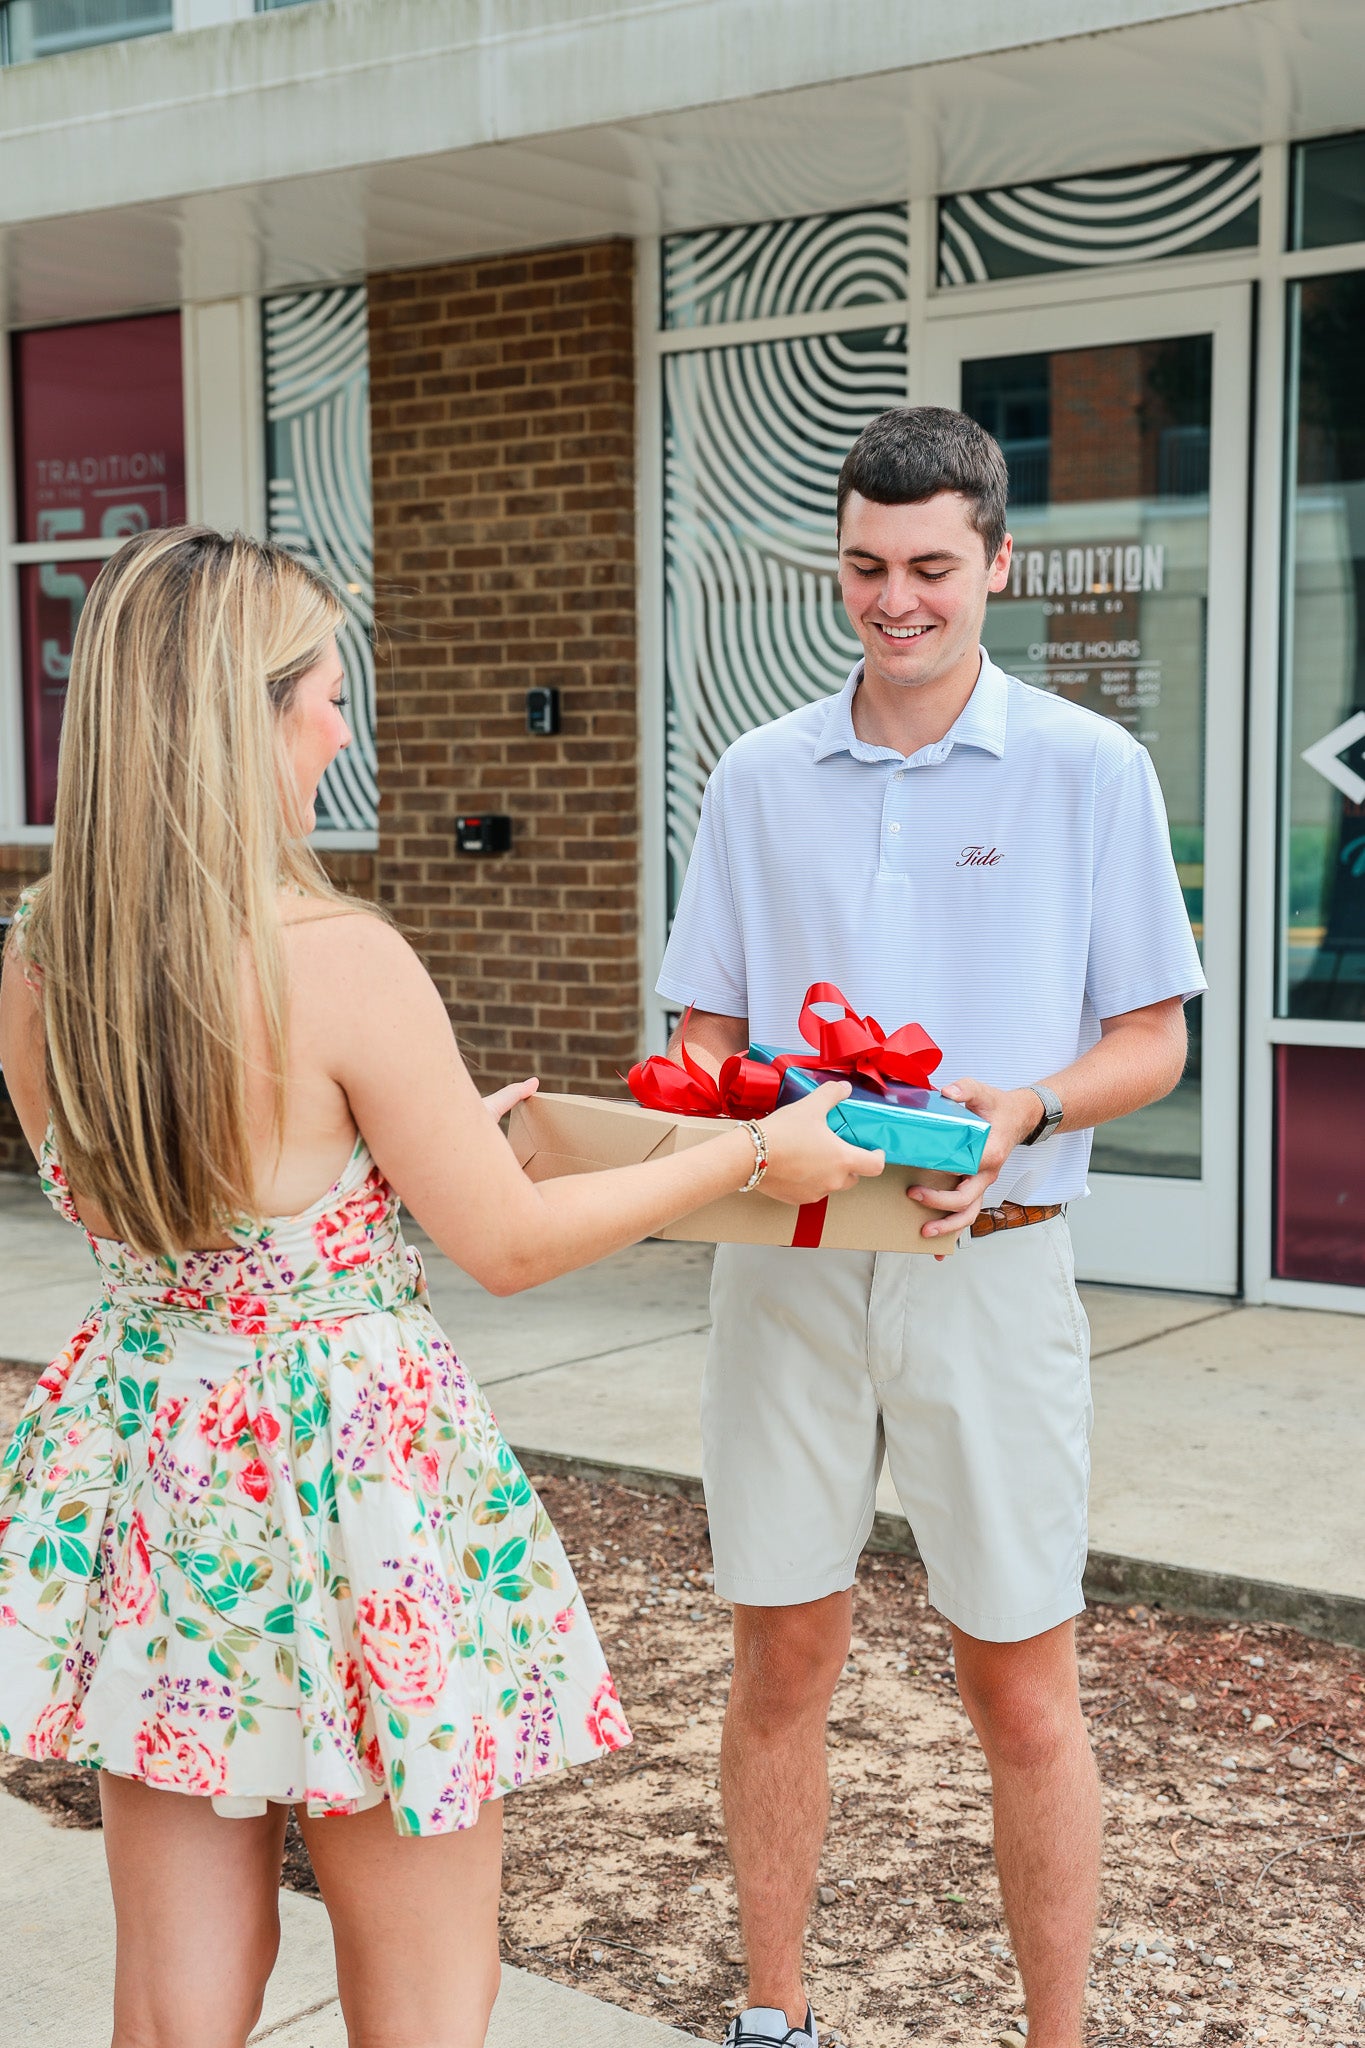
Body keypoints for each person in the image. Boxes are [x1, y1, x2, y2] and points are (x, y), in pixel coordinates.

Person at [0, 526, 878, 2048]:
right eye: (327, 695)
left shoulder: (41, 952)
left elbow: (191, 1208)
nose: (345, 729)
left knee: (170, 2003)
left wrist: (383, 1159)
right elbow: (512, 1246)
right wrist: (750, 1157)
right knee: (423, 2000)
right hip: (347, 1495)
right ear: (245, 713)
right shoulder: (336, 955)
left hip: (156, 1473)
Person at [655, 408, 1205, 2048]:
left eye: (930, 570)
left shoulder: (1088, 767)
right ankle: (773, 2015)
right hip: (791, 1267)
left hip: (994, 1264)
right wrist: (733, 1113)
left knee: (1019, 1687)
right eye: (864, 568)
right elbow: (697, 1030)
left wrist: (1017, 1112)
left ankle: (1054, 2039)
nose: (895, 601)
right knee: (779, 1661)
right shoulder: (758, 775)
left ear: (996, 566)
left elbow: (1154, 1038)